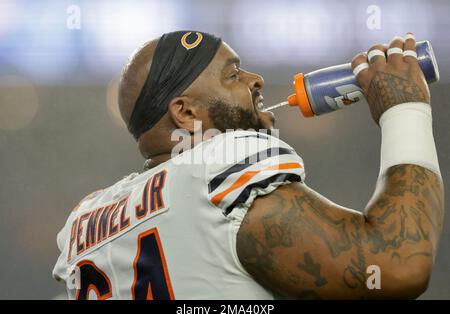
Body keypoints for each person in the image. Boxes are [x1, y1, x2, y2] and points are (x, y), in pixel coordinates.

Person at [53, 31, 444, 299]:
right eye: (234, 74)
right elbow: (396, 265)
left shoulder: (85, 221)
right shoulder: (221, 161)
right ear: (186, 112)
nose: (256, 80)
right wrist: (404, 110)